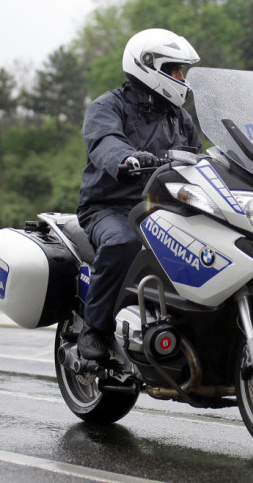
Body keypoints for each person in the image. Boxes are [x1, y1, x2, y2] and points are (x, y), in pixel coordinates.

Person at [76, 28, 201, 362]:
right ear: (149, 67)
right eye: (175, 70)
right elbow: (105, 143)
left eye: (182, 71)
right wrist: (126, 158)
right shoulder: (107, 106)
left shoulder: (180, 118)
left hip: (164, 207)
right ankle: (95, 329)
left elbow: (199, 160)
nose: (181, 78)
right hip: (110, 207)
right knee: (123, 243)